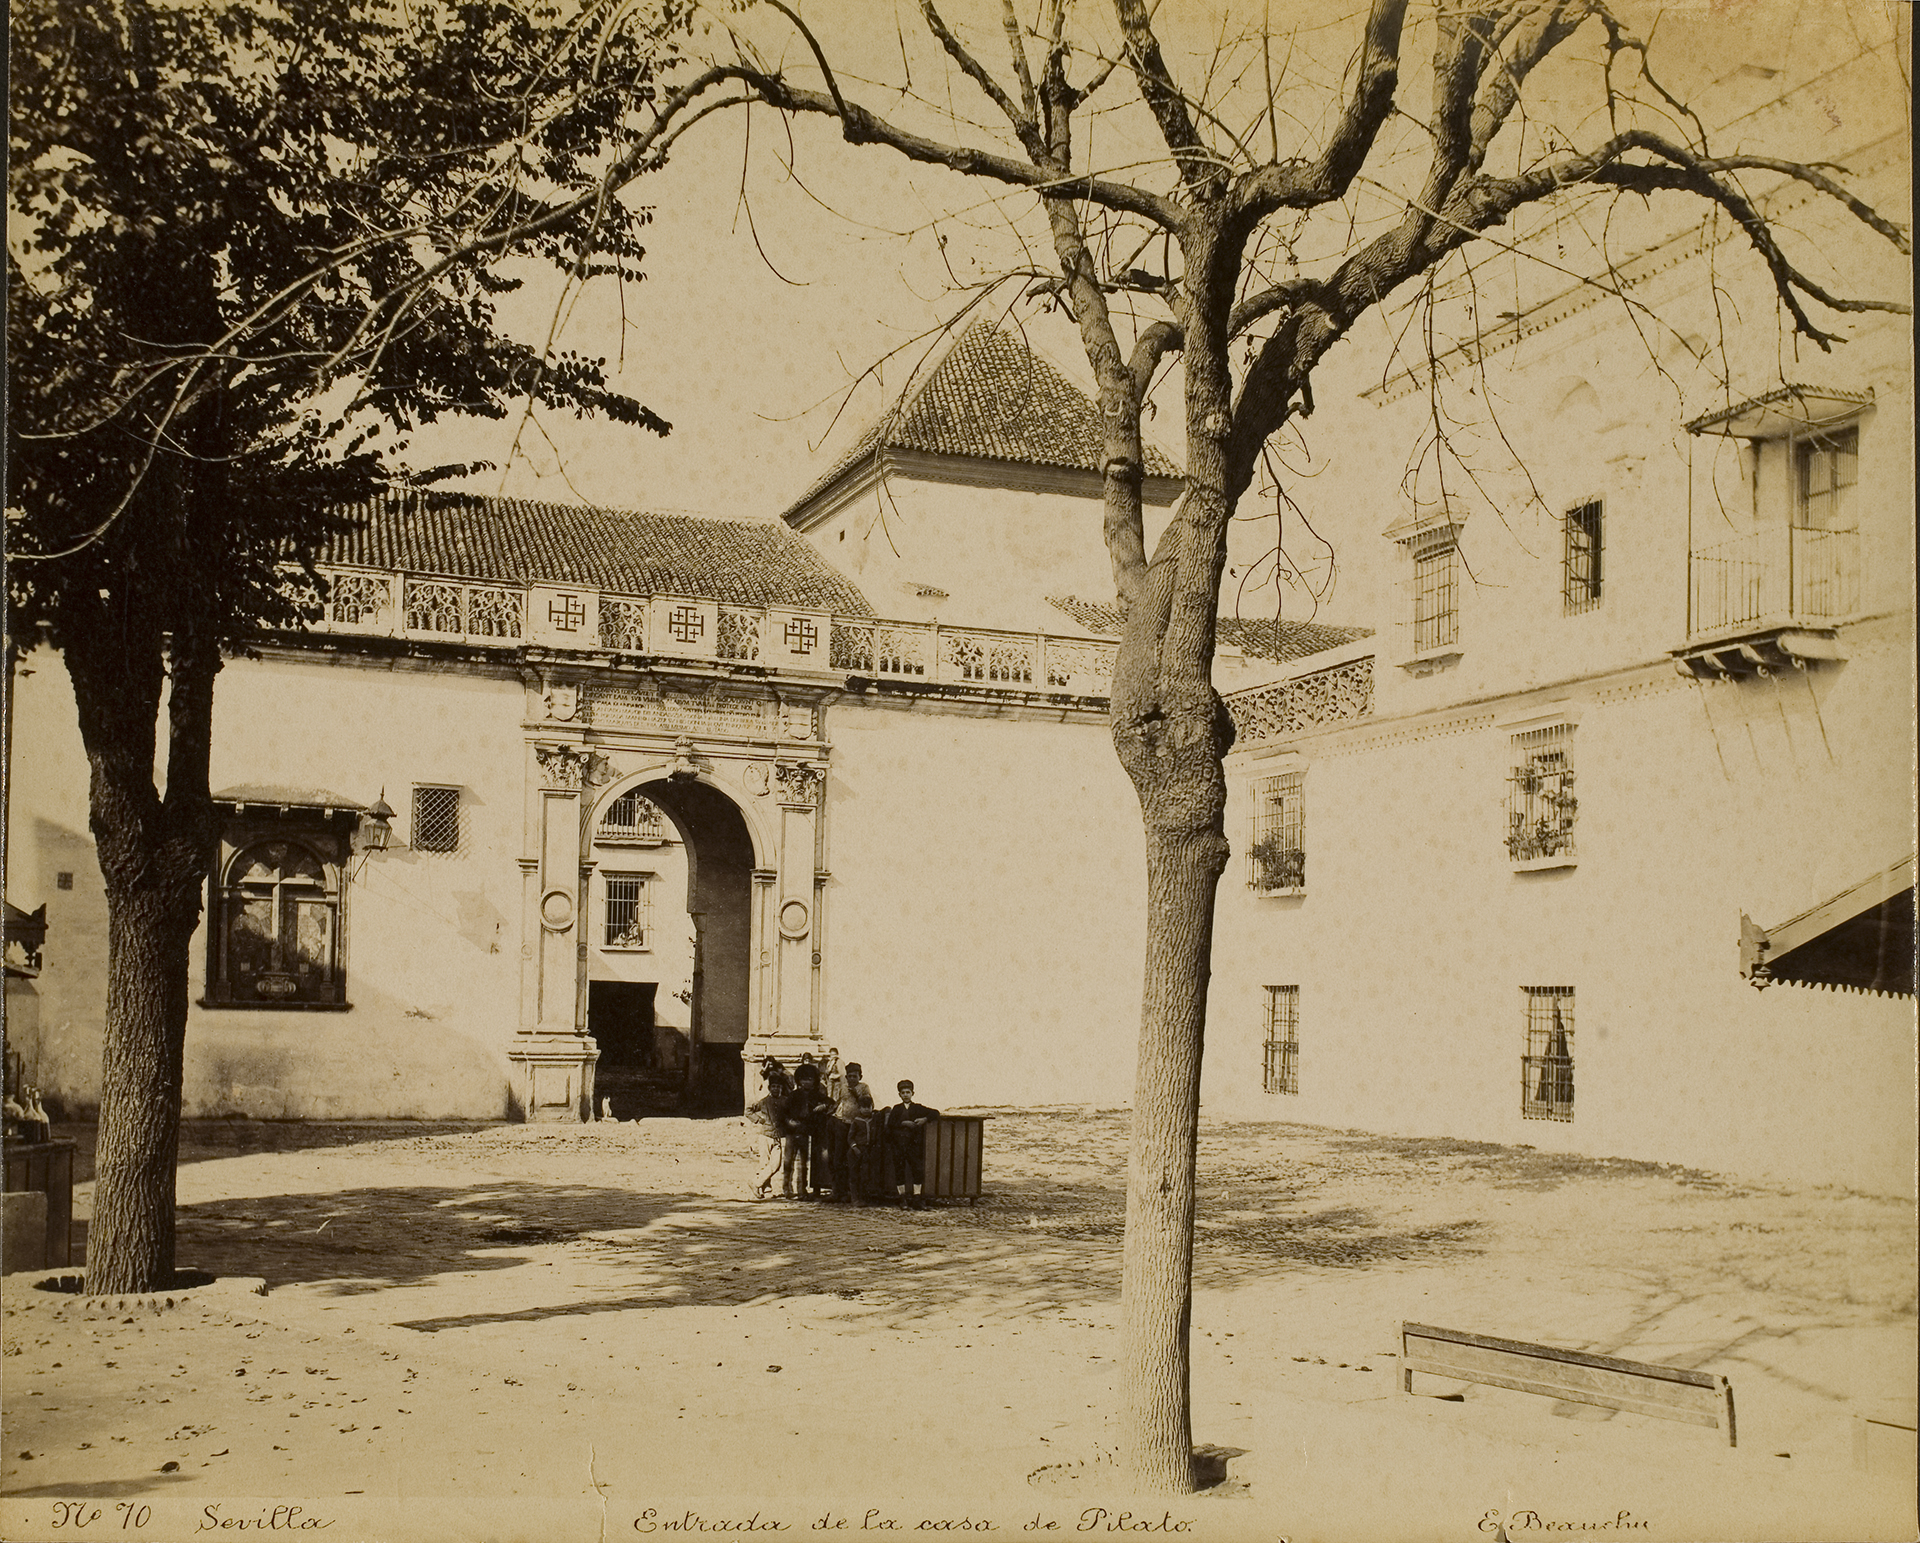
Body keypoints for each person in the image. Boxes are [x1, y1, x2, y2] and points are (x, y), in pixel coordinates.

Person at [884, 1080, 940, 1209]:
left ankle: (917, 1198)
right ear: (899, 1094)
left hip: (913, 1146)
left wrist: (924, 1119)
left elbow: (935, 1113)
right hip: (898, 1145)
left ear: (912, 1093)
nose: (905, 1095)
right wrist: (904, 1123)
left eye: (908, 1092)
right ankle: (902, 1198)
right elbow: (890, 1125)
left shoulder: (918, 1108)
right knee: (899, 1170)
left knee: (917, 1170)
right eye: (903, 1093)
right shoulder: (897, 1109)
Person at [782, 1062, 833, 1198]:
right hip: (792, 1132)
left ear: (815, 1080)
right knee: (788, 1161)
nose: (806, 1082)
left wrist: (823, 1106)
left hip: (804, 1131)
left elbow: (831, 1102)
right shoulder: (793, 1095)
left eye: (810, 1079)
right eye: (803, 1079)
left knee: (803, 1163)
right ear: (798, 1080)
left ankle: (802, 1190)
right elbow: (784, 1113)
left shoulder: (816, 1095)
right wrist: (789, 1122)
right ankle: (786, 1188)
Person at [746, 1062, 791, 1200]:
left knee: (775, 1165)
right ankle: (766, 1190)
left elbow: (790, 1114)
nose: (776, 1089)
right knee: (764, 1164)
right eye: (773, 1087)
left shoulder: (786, 1101)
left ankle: (755, 1182)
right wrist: (758, 1120)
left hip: (778, 1137)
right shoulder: (764, 1101)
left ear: (781, 1088)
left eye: (778, 1087)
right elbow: (748, 1111)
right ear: (769, 1088)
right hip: (765, 1136)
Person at [846, 1089, 886, 1206]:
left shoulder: (874, 1119)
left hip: (867, 1151)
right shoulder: (856, 1121)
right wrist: (855, 1148)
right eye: (863, 1107)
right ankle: (854, 1198)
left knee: (865, 1175)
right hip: (855, 1151)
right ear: (859, 1108)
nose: (866, 1109)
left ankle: (863, 1197)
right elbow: (850, 1138)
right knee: (854, 1175)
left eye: (868, 1107)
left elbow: (884, 1111)